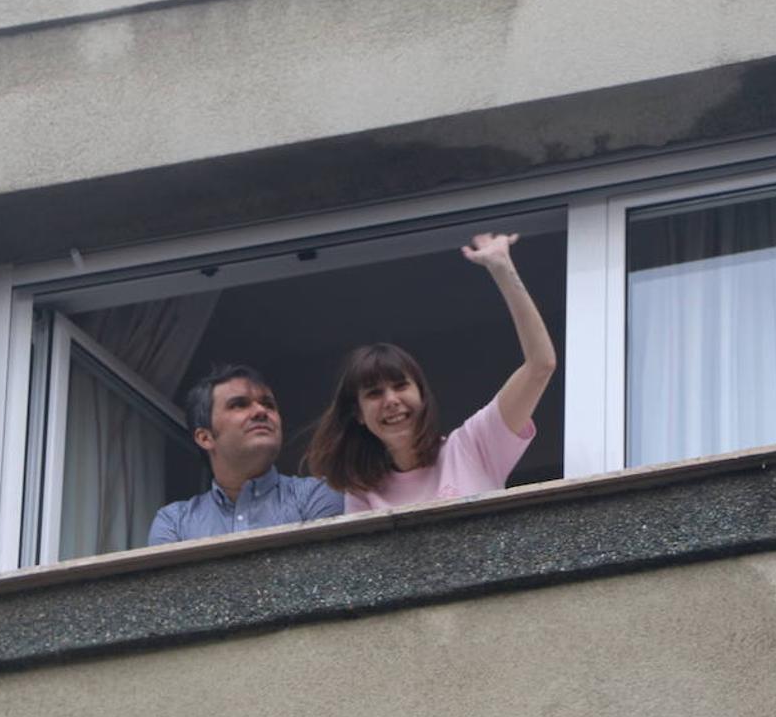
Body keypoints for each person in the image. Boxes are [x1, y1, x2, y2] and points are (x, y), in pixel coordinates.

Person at [305, 232, 557, 512]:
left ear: (422, 395)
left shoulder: (472, 446)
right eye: (374, 393)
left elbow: (540, 365)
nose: (391, 400)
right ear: (359, 414)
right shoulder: (363, 493)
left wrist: (502, 269)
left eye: (400, 385)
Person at [148, 364, 343, 543]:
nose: (261, 411)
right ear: (205, 438)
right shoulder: (175, 522)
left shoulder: (317, 495)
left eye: (268, 404)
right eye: (239, 404)